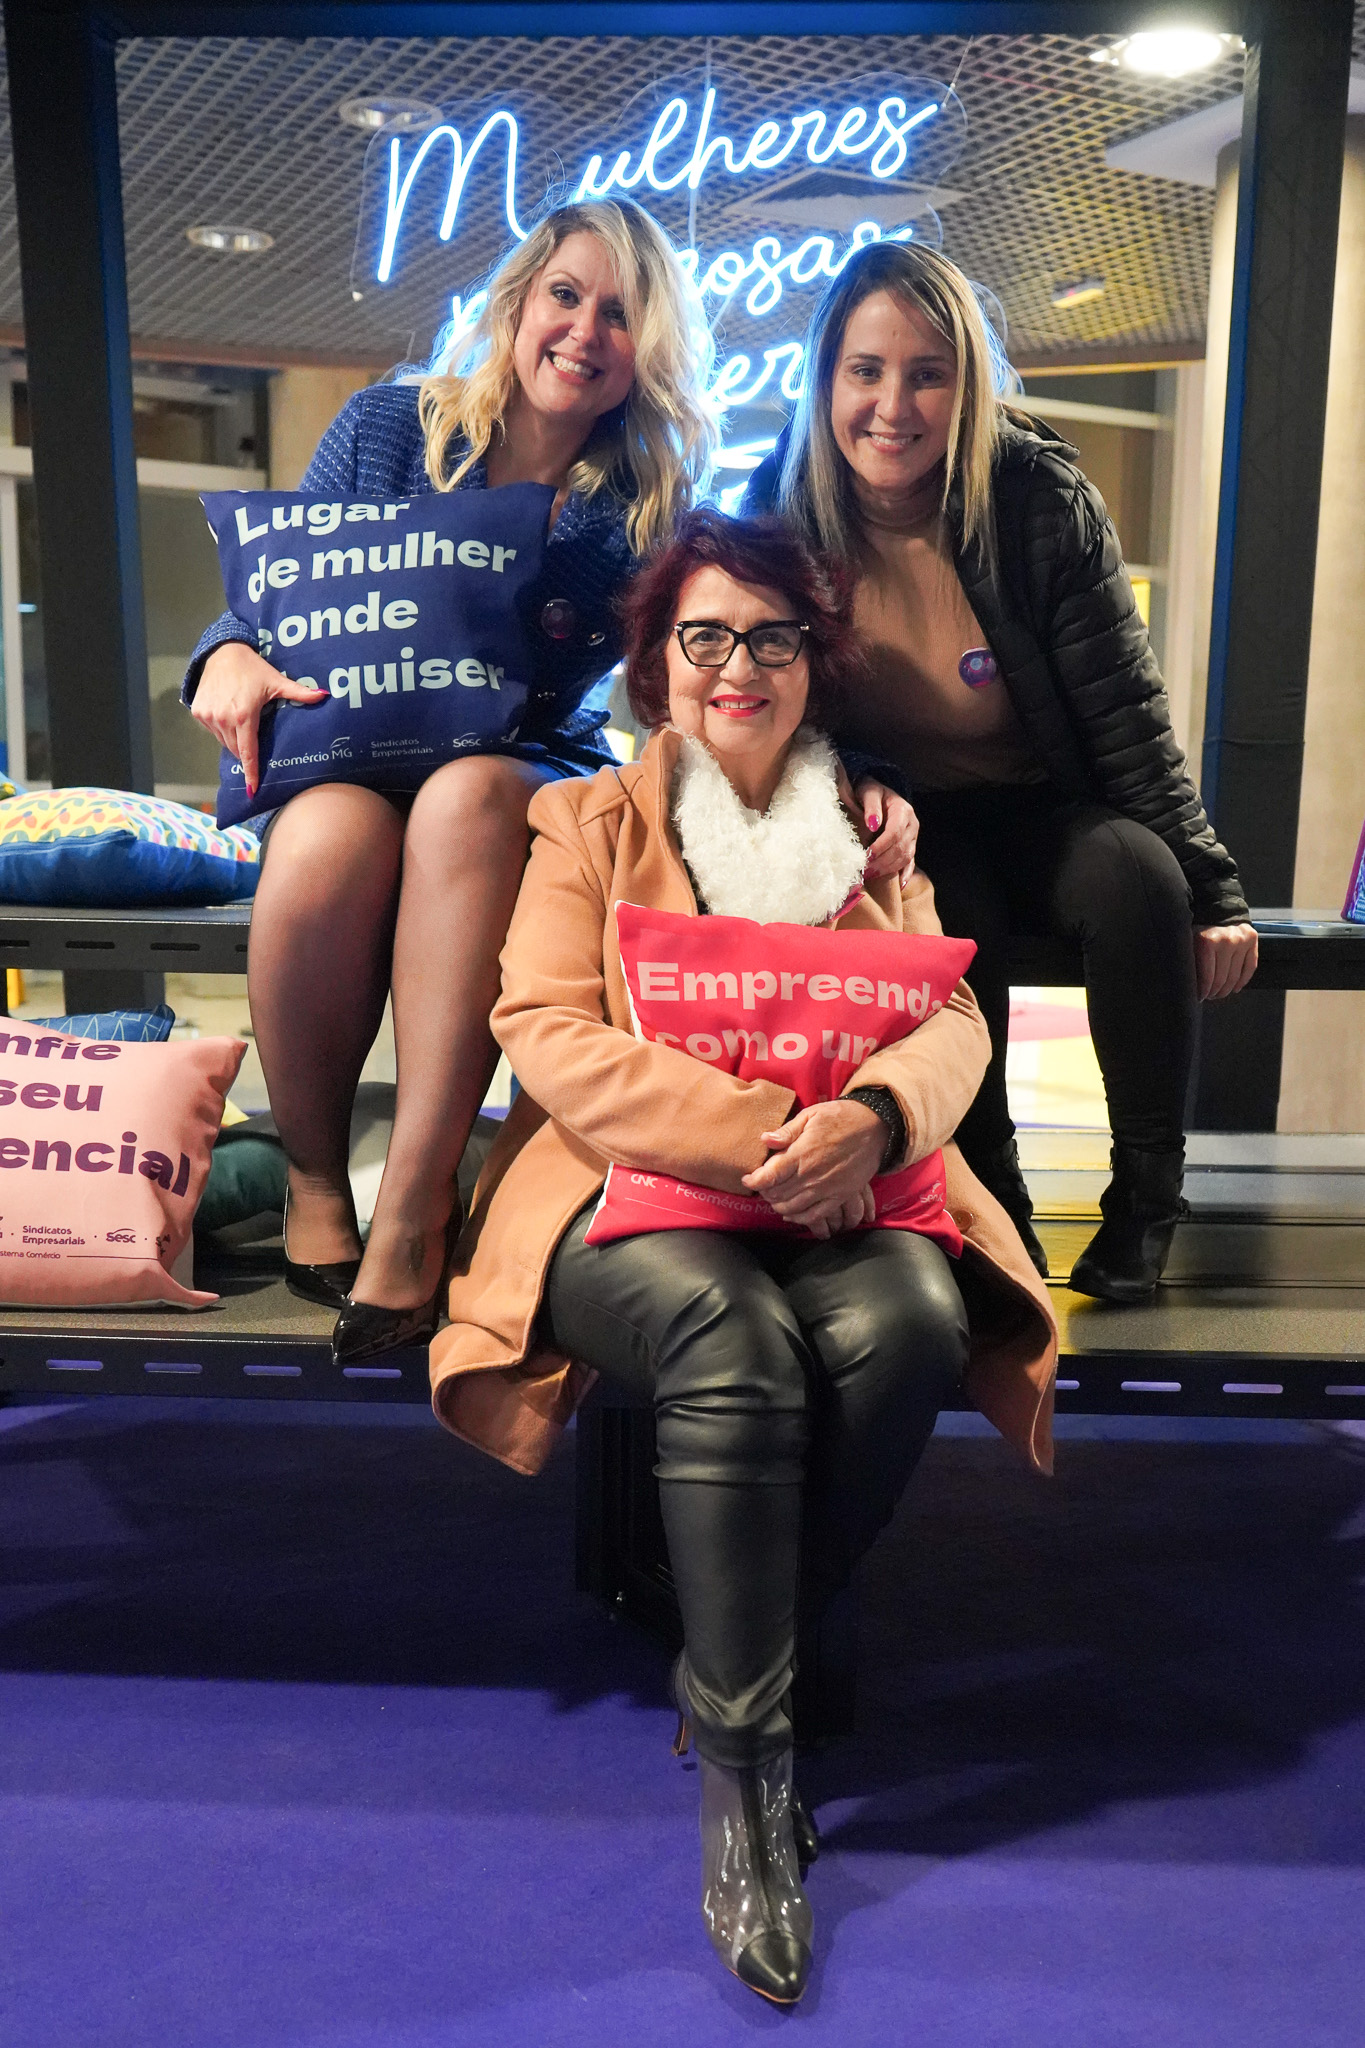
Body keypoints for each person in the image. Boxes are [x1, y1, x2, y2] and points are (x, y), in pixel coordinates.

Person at [428, 509, 1057, 2003]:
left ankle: (722, 1649)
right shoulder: (586, 821)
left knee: (912, 1323)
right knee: (735, 1342)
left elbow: (951, 1012)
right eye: (704, 635)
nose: (738, 666)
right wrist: (772, 1133)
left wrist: (873, 1119)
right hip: (622, 1193)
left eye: (772, 637)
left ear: (813, 663)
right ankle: (748, 1782)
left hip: (848, 1192)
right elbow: (543, 1027)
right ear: (658, 661)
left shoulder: (871, 832)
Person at [183, 199, 915, 1362]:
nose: (584, 331)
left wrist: (851, 772)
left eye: (620, 314)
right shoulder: (387, 426)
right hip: (352, 751)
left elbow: (732, 656)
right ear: (520, 301)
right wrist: (223, 653)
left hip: (515, 763)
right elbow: (274, 590)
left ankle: (415, 1204)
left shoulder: (647, 504)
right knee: (322, 837)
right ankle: (314, 1180)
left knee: (469, 795)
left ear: (648, 348)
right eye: (565, 295)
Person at [743, 241, 1259, 1304]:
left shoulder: (1035, 499)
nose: (893, 406)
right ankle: (993, 1198)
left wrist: (1212, 891)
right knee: (953, 920)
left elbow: (1125, 715)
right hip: (903, 818)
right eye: (866, 371)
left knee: (1141, 879)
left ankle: (1148, 1193)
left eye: (927, 374)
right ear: (826, 378)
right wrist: (857, 779)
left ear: (967, 386)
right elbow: (771, 723)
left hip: (1041, 802)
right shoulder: (780, 513)